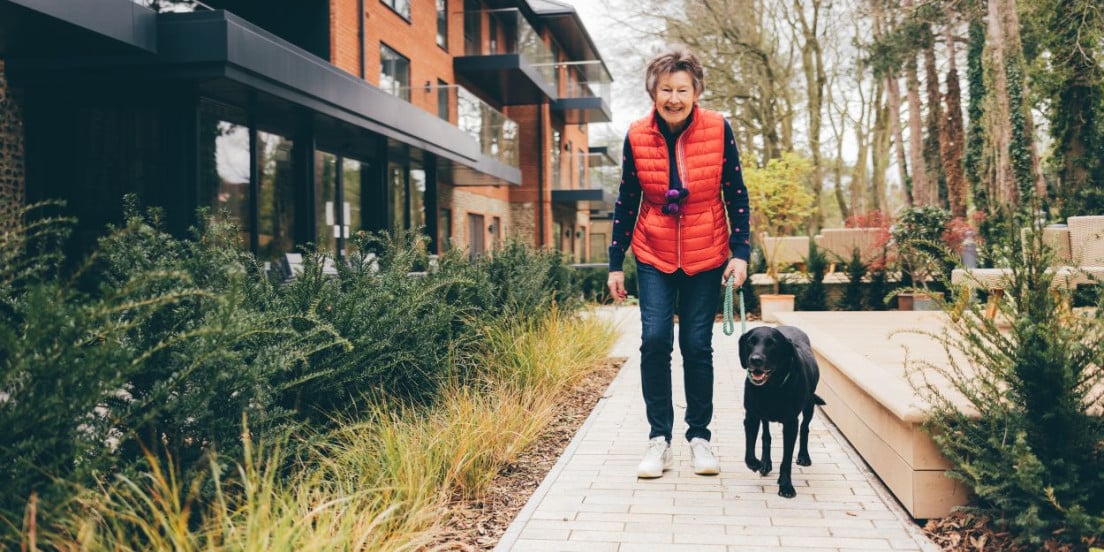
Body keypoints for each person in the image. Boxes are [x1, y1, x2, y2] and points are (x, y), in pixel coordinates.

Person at [606, 47, 750, 478]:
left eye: (682, 90)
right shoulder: (635, 134)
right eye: (665, 89)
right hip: (653, 251)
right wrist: (616, 261)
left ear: (696, 91)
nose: (673, 98)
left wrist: (740, 253)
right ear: (653, 90)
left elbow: (736, 193)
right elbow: (627, 198)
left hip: (707, 252)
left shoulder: (718, 128)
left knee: (696, 346)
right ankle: (658, 439)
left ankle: (700, 437)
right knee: (653, 342)